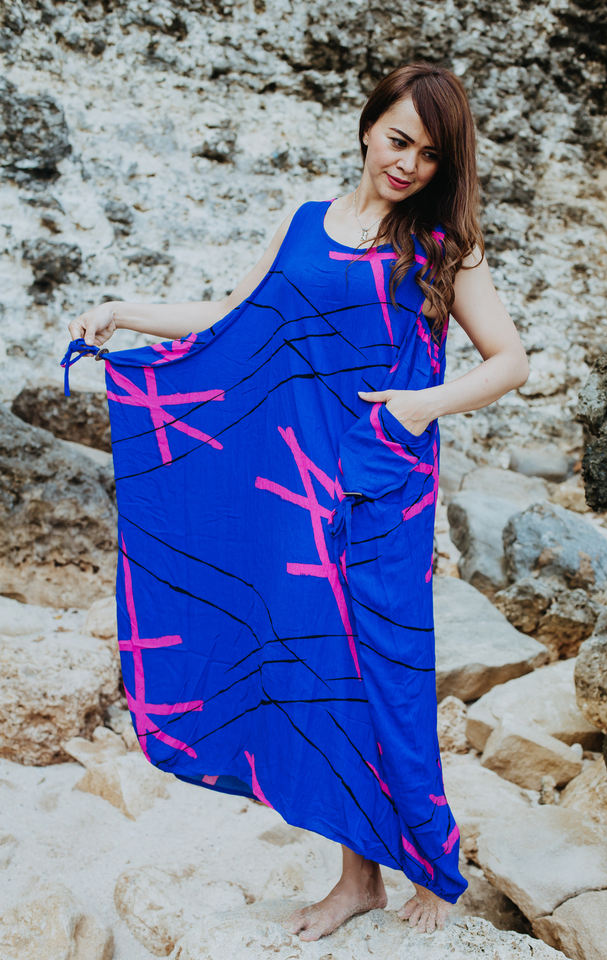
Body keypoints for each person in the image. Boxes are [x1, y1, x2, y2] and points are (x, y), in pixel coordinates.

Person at [67, 61, 528, 942]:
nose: (408, 164)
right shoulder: (303, 221)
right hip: (292, 484)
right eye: (399, 140)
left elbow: (510, 361)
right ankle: (358, 879)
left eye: (430, 154)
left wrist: (422, 405)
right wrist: (124, 311)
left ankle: (424, 858)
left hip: (379, 486)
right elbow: (230, 319)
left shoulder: (441, 245)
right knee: (315, 668)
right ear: (368, 126)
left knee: (382, 665)